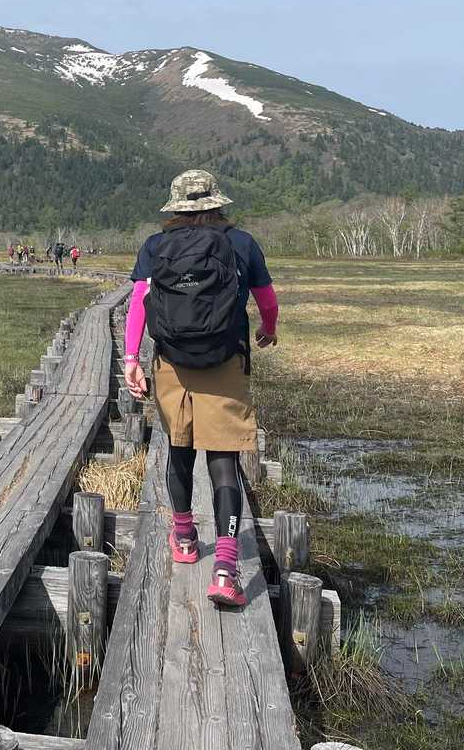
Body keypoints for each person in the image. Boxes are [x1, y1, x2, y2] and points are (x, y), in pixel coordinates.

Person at [123, 169, 279, 608]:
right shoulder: (241, 243)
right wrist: (269, 329)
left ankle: (186, 538)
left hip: (172, 363)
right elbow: (267, 300)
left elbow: (138, 304)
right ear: (217, 203)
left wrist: (132, 359)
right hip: (225, 362)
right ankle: (226, 570)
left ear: (175, 206)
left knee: (179, 451)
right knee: (224, 463)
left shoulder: (155, 246)